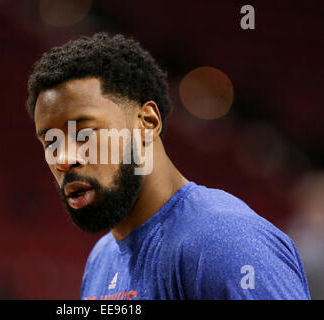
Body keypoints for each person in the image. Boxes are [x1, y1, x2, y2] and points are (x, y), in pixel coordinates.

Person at [26, 32, 310, 299]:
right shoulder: (102, 259)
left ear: (147, 122)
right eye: (50, 142)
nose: (63, 159)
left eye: (85, 134)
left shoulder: (224, 241)